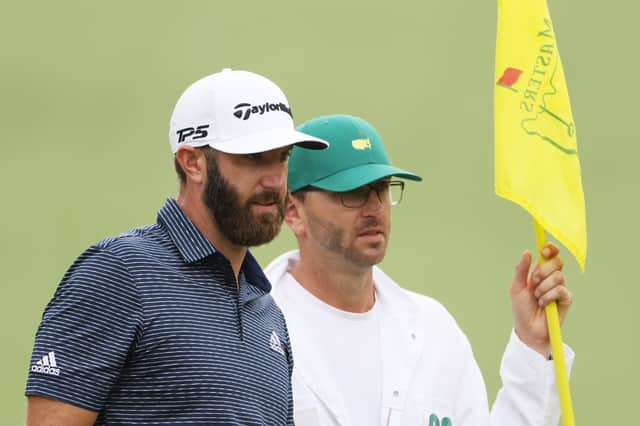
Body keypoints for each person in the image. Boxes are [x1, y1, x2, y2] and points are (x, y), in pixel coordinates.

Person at [25, 69, 328, 425]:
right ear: (192, 163)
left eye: (282, 156)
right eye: (252, 157)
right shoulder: (118, 273)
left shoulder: (267, 312)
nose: (275, 179)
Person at [264, 114, 575, 426]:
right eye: (353, 192)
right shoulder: (251, 334)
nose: (375, 209)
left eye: (383, 189)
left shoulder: (434, 329)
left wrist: (533, 345)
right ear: (293, 212)